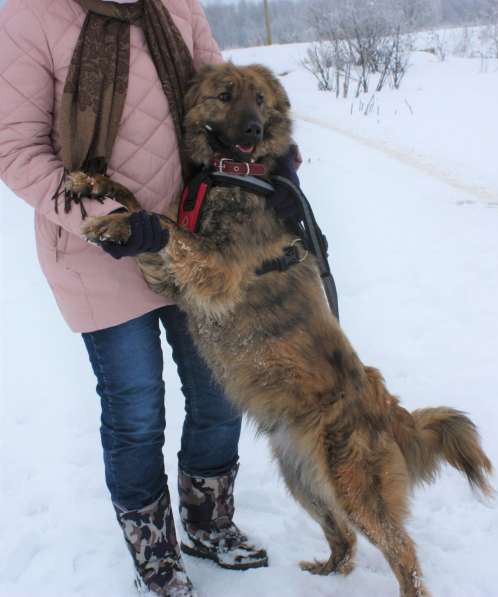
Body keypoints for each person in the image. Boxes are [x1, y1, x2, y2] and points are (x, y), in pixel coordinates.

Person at [0, 1, 301, 595]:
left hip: (196, 239)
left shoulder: (173, 3)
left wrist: (273, 165)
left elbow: (228, 94)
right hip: (99, 251)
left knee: (218, 395)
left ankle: (208, 524)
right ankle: (154, 554)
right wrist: (110, 218)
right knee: (136, 413)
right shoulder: (28, 15)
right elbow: (16, 150)